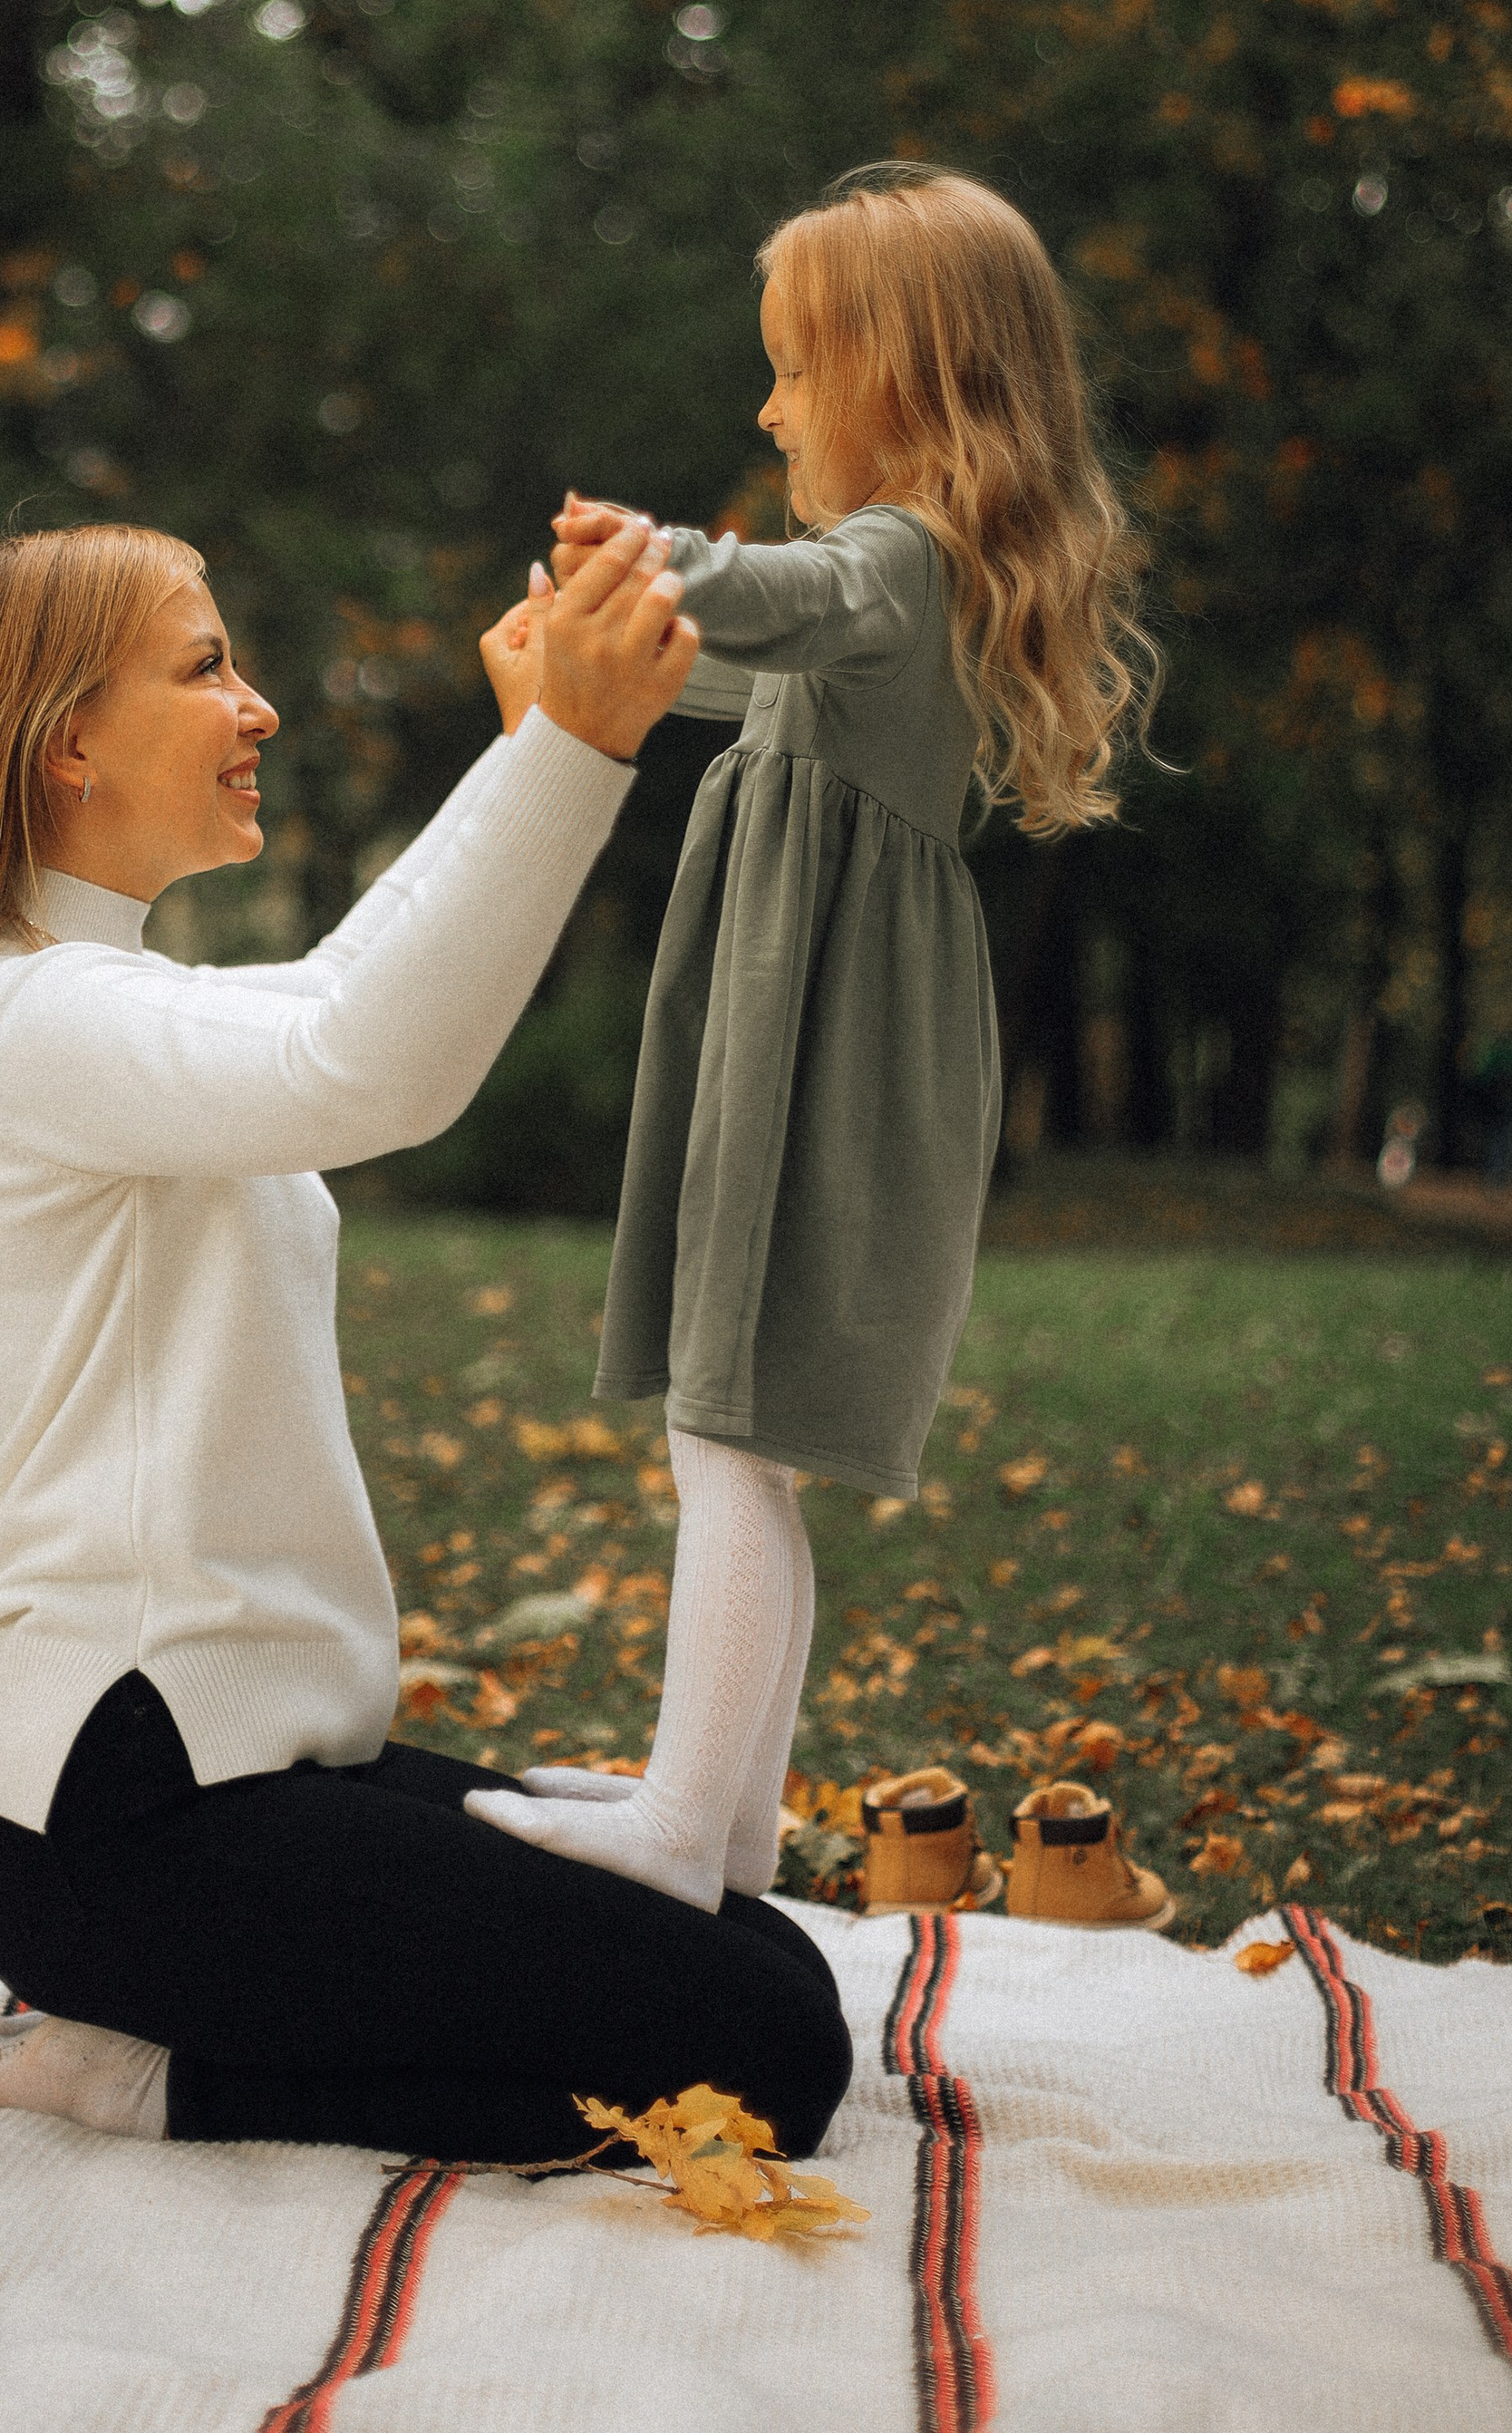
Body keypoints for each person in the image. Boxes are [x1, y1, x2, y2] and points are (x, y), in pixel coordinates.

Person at [0, 518, 853, 2166]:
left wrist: (531, 752)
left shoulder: (96, 992)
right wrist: (574, 747)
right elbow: (373, 1067)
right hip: (135, 1823)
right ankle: (146, 2079)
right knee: (768, 2056)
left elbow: (345, 999)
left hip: (243, 1773)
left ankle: (167, 2033)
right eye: (206, 664)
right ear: (64, 738)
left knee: (757, 1957)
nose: (259, 705)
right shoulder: (21, 1020)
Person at [466, 163, 1160, 1915]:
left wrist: (644, 562)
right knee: (738, 1440)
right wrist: (582, 650)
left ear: (900, 375)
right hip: (803, 1041)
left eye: (792, 369)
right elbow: (708, 668)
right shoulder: (883, 594)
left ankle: (687, 1832)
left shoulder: (898, 567)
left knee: (730, 1438)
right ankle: (733, 1820)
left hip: (828, 1061)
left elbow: (758, 605)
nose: (768, 406)